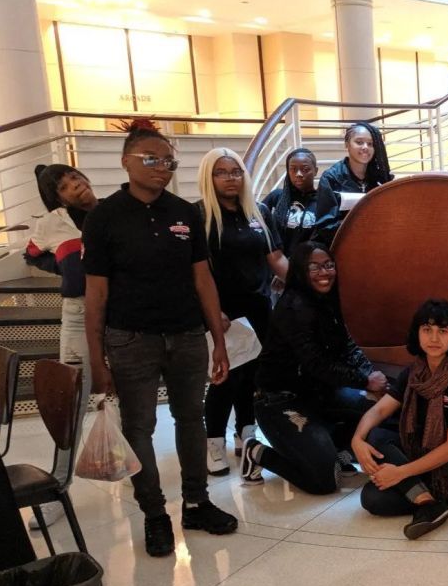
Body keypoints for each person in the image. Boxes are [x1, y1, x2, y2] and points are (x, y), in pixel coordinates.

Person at [82, 119, 237, 558]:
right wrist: (97, 359)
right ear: (125, 161)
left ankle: (196, 502)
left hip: (187, 335)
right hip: (131, 340)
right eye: (151, 159)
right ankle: (154, 513)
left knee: (192, 419)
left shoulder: (185, 213)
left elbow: (203, 279)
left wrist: (217, 341)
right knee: (140, 428)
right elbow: (96, 294)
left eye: (169, 160)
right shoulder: (104, 217)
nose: (162, 168)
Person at [242, 242, 387, 494]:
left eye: (329, 265)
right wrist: (365, 382)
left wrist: (371, 376)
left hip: (318, 394)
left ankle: (336, 450)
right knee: (324, 482)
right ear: (300, 270)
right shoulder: (294, 306)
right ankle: (257, 452)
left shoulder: (325, 300)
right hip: (280, 402)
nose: (324, 273)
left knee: (377, 409)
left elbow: (346, 344)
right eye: (314, 267)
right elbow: (316, 364)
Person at [352, 299, 448, 540]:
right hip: (421, 457)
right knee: (376, 441)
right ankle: (428, 503)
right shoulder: (414, 374)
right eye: (427, 330)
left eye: (442, 331)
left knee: (375, 497)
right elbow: (378, 411)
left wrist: (400, 473)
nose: (434, 338)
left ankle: (424, 497)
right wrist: (356, 441)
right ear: (418, 334)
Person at [196, 148, 289, 475]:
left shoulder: (259, 211)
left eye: (235, 171)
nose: (230, 178)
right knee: (226, 378)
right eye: (221, 172)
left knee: (253, 376)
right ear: (209, 177)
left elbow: (275, 257)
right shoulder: (199, 216)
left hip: (260, 308)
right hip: (222, 312)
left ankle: (246, 435)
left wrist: (306, 286)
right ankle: (214, 444)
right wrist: (212, 311)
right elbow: (192, 272)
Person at [22, 164, 98, 530]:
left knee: (134, 396)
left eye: (77, 179)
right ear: (58, 197)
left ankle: (135, 471)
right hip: (77, 311)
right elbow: (32, 254)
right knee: (72, 400)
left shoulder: (111, 211)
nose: (76, 187)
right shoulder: (53, 222)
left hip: (121, 310)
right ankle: (58, 487)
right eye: (67, 186)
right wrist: (67, 266)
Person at [313, 122, 393, 245]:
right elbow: (325, 224)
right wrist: (361, 225)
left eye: (370, 144)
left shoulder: (381, 178)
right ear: (347, 144)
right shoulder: (331, 177)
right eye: (359, 142)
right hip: (342, 245)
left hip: (377, 242)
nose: (365, 147)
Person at [261, 148, 319, 254]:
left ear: (315, 171)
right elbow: (255, 222)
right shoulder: (277, 196)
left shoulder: (322, 200)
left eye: (305, 169)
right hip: (277, 262)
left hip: (307, 264)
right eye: (293, 169)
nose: (299, 174)